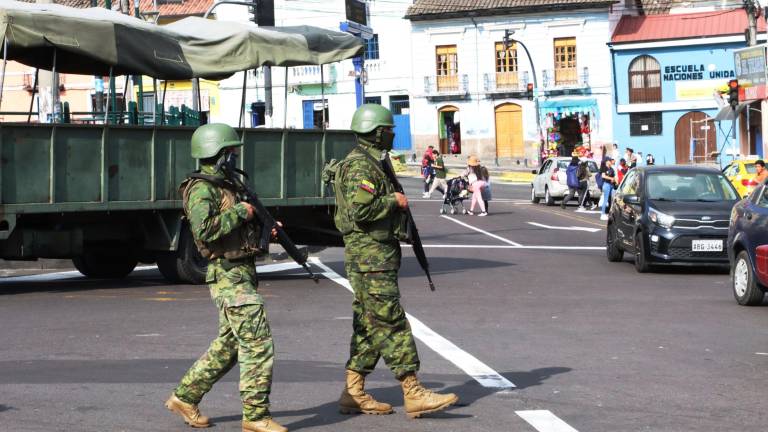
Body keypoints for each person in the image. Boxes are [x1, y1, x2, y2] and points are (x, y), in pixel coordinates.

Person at [332, 104, 458, 419]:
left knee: (368, 324)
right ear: (377, 132)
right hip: (369, 256)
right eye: (389, 130)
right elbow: (360, 212)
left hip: (375, 254)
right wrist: (393, 201)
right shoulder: (361, 166)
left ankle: (354, 390)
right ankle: (413, 391)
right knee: (390, 320)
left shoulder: (375, 162)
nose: (392, 134)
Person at [166, 123, 286, 432]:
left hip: (242, 270)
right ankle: (256, 417)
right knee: (257, 343)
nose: (234, 156)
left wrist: (262, 227)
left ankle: (185, 397)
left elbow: (237, 225)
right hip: (227, 275)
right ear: (217, 154)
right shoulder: (201, 189)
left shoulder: (227, 185)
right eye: (230, 151)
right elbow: (204, 230)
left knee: (230, 345)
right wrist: (242, 213)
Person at [599, 157, 617, 221]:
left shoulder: (611, 169)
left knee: (611, 200)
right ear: (607, 161)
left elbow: (613, 176)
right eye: (610, 161)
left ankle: (608, 213)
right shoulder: (604, 168)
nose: (611, 162)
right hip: (606, 185)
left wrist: (614, 180)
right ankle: (602, 214)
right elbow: (603, 176)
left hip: (611, 185)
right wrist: (611, 178)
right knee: (606, 199)